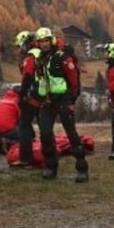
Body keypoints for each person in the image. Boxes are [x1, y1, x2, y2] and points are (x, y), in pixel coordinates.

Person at [34, 27, 89, 183]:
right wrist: (39, 96)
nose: (44, 44)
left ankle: (82, 168)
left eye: (46, 41)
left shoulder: (62, 57)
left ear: (51, 40)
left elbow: (73, 79)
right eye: (41, 41)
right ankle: (51, 166)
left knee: (71, 134)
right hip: (47, 101)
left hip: (64, 99)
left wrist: (72, 99)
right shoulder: (40, 59)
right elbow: (41, 80)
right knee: (44, 134)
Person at [12, 36, 43, 168]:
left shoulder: (30, 57)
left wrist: (22, 93)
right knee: (45, 128)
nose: (19, 50)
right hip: (45, 95)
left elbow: (27, 76)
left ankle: (26, 159)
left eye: (20, 46)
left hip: (33, 96)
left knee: (24, 125)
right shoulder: (42, 54)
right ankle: (50, 157)